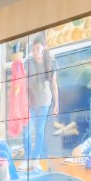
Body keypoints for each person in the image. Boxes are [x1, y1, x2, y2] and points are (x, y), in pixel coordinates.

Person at [25, 33, 60, 166]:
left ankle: (35, 160)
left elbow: (54, 84)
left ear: (43, 49)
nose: (34, 52)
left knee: (39, 132)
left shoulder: (51, 62)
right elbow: (24, 85)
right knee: (27, 132)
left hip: (44, 103)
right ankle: (28, 159)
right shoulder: (28, 64)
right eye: (33, 50)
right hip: (31, 104)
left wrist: (56, 103)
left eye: (37, 49)